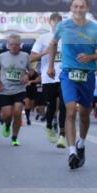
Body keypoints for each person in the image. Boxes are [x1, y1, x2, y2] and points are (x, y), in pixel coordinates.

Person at [47, 0, 97, 169]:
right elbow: (53, 44)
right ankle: (72, 151)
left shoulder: (96, 29)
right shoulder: (63, 26)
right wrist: (51, 66)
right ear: (71, 9)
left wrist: (91, 56)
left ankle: (81, 143)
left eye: (82, 7)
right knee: (71, 110)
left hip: (87, 75)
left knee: (84, 114)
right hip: (68, 74)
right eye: (75, 7)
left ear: (87, 8)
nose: (78, 10)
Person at [31, 12, 64, 144]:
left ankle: (62, 135)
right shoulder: (43, 38)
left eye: (59, 22)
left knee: (64, 105)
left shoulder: (67, 37)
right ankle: (49, 126)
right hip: (48, 77)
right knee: (50, 106)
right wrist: (46, 52)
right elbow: (31, 58)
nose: (57, 24)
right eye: (54, 21)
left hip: (64, 77)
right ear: (50, 23)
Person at [0, 34, 31, 147]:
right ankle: (7, 124)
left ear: (20, 45)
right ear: (8, 45)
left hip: (20, 89)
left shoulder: (25, 56)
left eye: (16, 44)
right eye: (11, 44)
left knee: (17, 112)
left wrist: (27, 76)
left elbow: (31, 70)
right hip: (5, 90)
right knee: (7, 114)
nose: (14, 46)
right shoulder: (2, 56)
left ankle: (14, 137)